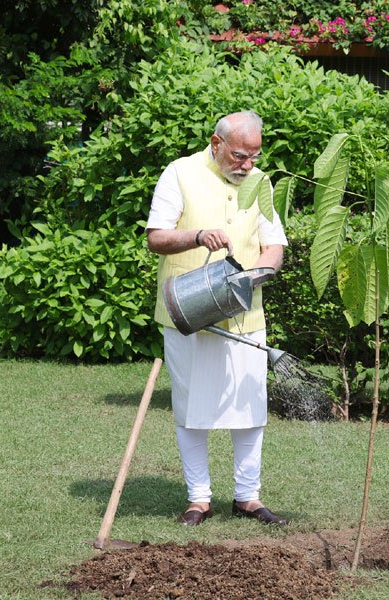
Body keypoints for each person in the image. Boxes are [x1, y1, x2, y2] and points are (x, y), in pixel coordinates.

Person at [145, 110, 289, 526]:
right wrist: (197, 235)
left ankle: (248, 497)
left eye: (254, 156)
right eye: (240, 156)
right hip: (188, 314)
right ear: (216, 143)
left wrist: (255, 276)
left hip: (246, 315)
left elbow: (274, 246)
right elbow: (156, 237)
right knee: (191, 407)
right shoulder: (180, 173)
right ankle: (198, 499)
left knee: (250, 407)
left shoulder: (260, 183)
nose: (247, 165)